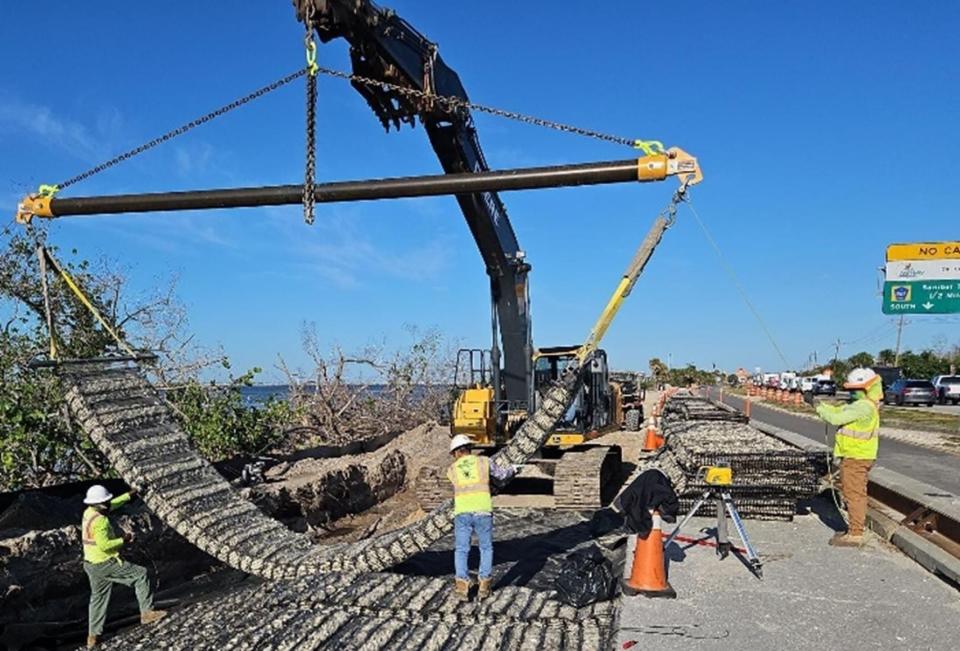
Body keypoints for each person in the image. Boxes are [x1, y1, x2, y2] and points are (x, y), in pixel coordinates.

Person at [81, 484, 167, 648]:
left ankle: (92, 637)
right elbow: (105, 545)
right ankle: (147, 613)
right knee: (141, 574)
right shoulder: (101, 521)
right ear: (99, 504)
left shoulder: (90, 513)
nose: (108, 504)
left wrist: (129, 494)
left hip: (90, 564)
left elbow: (114, 504)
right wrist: (124, 539)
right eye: (106, 502)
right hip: (105, 562)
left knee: (98, 599)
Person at [815, 368, 882, 548]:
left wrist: (818, 407)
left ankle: (855, 533)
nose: (852, 392)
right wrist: (817, 403)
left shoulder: (863, 407)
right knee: (855, 493)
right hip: (856, 456)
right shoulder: (862, 404)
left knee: (854, 494)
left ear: (866, 388)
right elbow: (837, 411)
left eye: (855, 389)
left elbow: (835, 419)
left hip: (856, 457)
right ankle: (855, 528)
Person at [446, 434, 515, 601]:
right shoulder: (484, 462)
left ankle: (462, 587)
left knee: (462, 549)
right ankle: (484, 587)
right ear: (470, 449)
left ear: (455, 453)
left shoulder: (451, 470)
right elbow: (501, 474)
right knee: (486, 548)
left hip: (462, 513)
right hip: (483, 511)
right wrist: (513, 469)